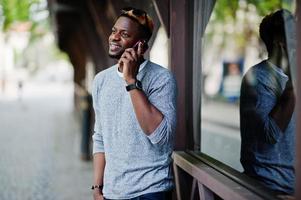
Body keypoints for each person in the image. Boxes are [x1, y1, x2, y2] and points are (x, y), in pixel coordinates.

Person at [91, 7, 177, 200]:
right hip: (113, 192)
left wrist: (131, 81)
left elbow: (160, 137)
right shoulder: (101, 80)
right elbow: (100, 137)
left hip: (151, 190)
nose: (114, 37)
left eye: (124, 34)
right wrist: (97, 188)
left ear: (141, 45)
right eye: (114, 31)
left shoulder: (162, 79)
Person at [240, 9, 296, 195]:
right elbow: (270, 134)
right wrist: (294, 84)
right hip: (268, 189)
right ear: (280, 40)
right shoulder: (258, 77)